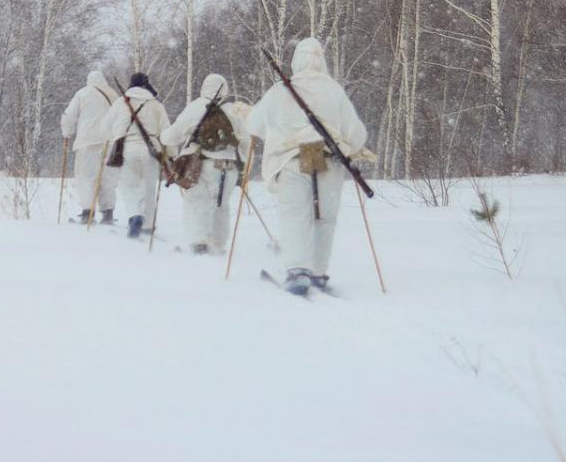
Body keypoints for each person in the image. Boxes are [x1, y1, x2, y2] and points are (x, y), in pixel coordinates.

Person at [245, 38, 368, 296]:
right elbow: (356, 134)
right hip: (329, 160)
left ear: (297, 60)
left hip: (292, 160)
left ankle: (298, 270)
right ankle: (319, 272)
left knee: (295, 217)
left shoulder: (281, 90)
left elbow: (252, 125)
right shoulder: (334, 90)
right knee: (325, 218)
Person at [160, 74, 250, 255]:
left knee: (196, 202)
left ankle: (199, 242)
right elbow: (246, 141)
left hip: (202, 165)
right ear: (225, 89)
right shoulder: (233, 109)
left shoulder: (194, 108)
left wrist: (163, 136)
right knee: (222, 205)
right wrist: (244, 164)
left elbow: (171, 137)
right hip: (229, 166)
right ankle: (219, 243)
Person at [100, 72, 171, 238]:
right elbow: (166, 132)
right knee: (148, 188)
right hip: (151, 150)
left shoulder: (120, 103)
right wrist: (170, 156)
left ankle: (135, 216)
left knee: (129, 187)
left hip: (127, 149)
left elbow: (104, 128)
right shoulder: (156, 105)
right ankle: (147, 225)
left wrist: (112, 138)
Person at [60, 70, 119, 224]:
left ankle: (88, 213)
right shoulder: (113, 95)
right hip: (110, 142)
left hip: (88, 142)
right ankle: (108, 213)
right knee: (108, 179)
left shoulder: (83, 93)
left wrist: (67, 133)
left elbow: (69, 116)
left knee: (87, 178)